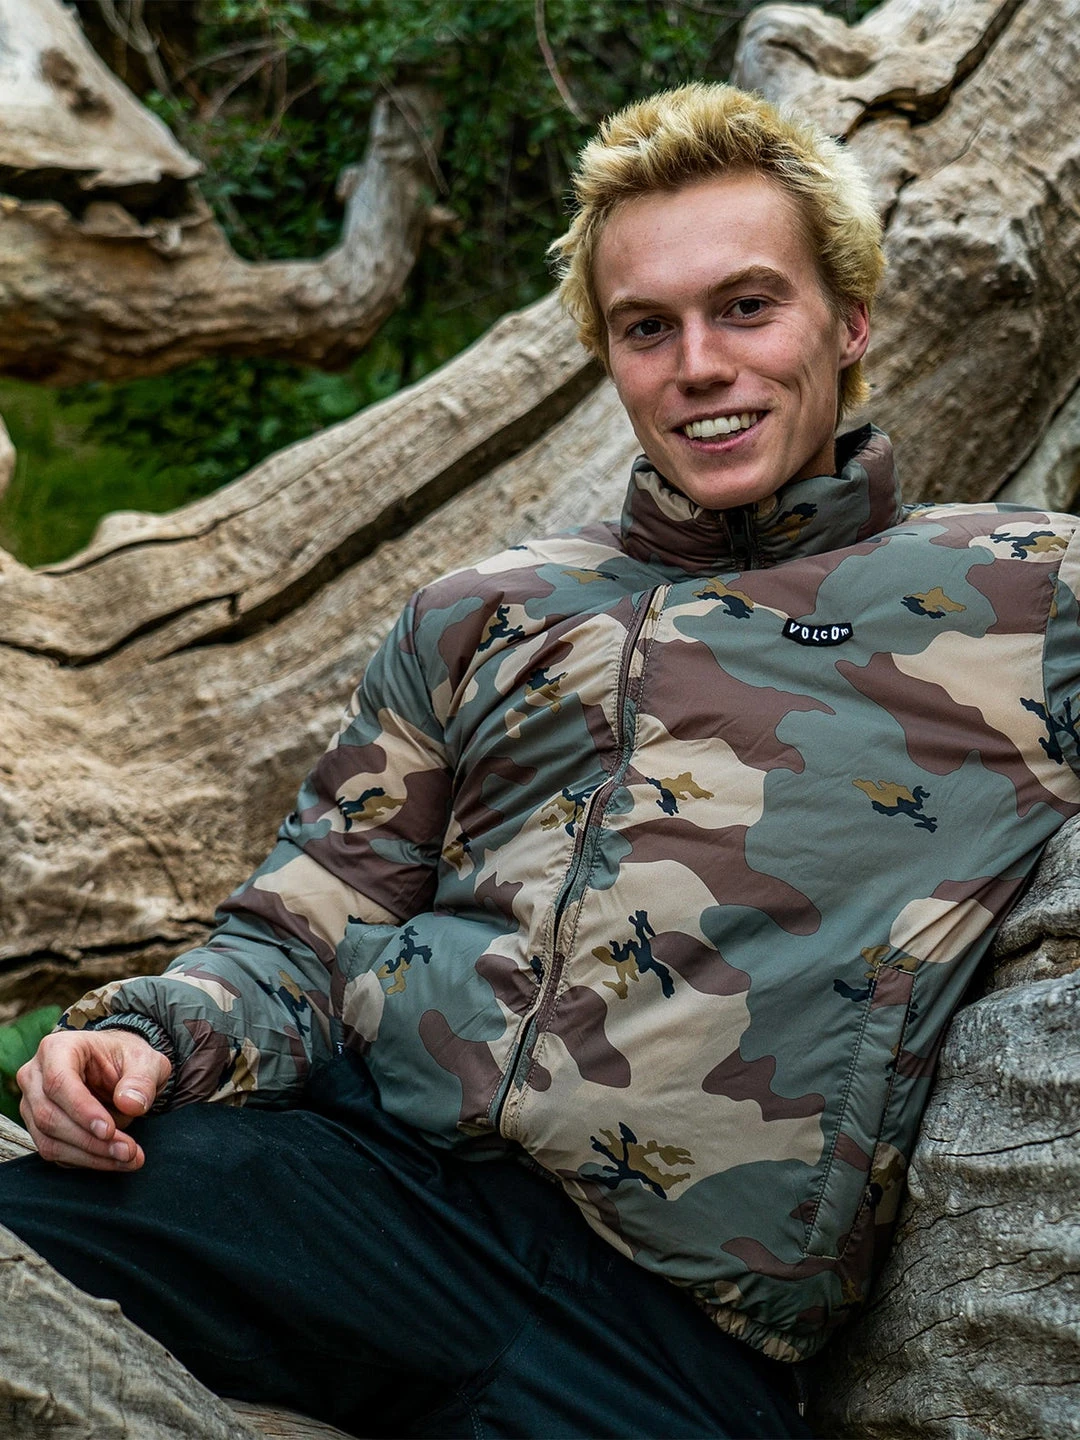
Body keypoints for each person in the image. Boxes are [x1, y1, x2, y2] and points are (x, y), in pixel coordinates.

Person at [4, 81, 1080, 1439]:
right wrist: (147, 1034)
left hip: (671, 1338)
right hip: (361, 1186)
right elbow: (300, 930)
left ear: (850, 322)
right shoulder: (480, 612)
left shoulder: (1028, 591)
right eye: (648, 327)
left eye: (748, 307)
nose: (700, 364)